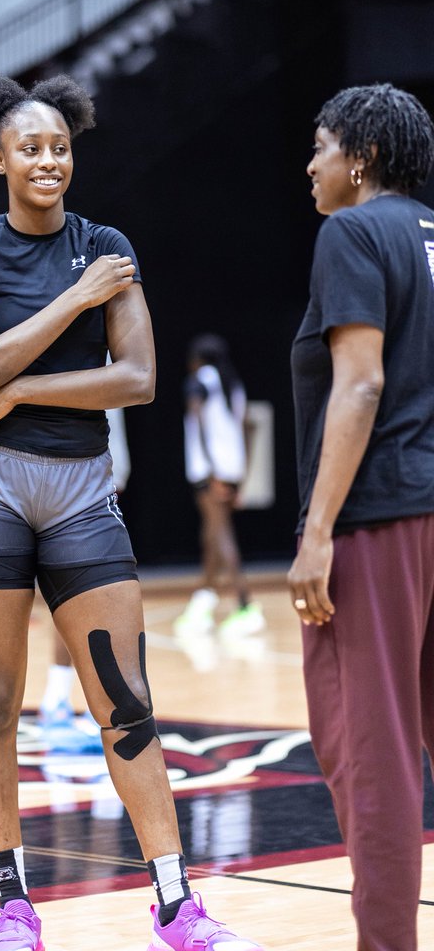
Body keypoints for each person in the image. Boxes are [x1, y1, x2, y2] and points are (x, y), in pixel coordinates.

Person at [0, 73, 265, 951]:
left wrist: (25, 387)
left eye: (61, 146)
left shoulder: (107, 243)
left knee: (126, 700)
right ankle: (11, 907)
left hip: (82, 488)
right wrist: (76, 301)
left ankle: (175, 904)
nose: (48, 159)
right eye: (30, 147)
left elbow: (138, 379)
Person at [288, 82, 434, 951]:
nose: (311, 164)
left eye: (321, 146)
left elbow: (363, 382)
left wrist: (316, 533)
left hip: (379, 522)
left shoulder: (350, 231)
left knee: (371, 755)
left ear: (361, 157)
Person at [38, 401, 130, 755]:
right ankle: (62, 701)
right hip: (76, 473)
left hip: (94, 473)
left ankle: (63, 700)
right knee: (78, 599)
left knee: (83, 599)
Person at [176, 334, 264, 639]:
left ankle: (245, 604)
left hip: (210, 470)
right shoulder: (233, 385)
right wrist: (241, 475)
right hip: (233, 468)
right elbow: (249, 428)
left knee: (222, 534)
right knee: (212, 534)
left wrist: (212, 471)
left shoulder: (200, 381)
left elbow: (199, 423)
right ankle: (204, 601)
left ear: (197, 359)